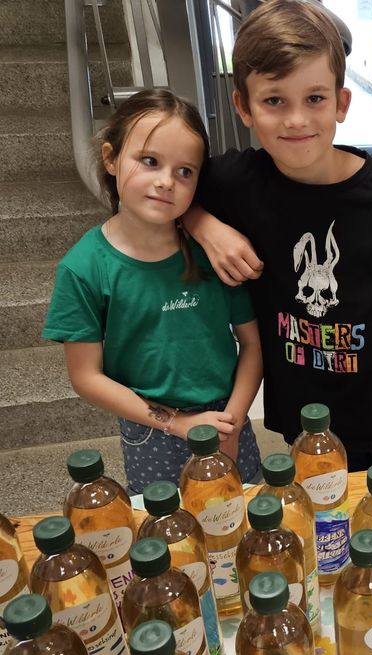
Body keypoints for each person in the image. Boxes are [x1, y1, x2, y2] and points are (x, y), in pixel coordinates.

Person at [182, 0, 372, 470]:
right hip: (306, 422)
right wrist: (203, 225)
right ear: (244, 107)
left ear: (340, 103)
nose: (296, 119)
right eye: (274, 100)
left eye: (314, 98)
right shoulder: (235, 182)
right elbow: (161, 197)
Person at [43, 89, 263, 494]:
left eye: (185, 171)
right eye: (149, 161)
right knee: (169, 540)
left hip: (227, 419)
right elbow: (86, 376)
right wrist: (175, 423)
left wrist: (232, 421)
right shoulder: (84, 267)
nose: (166, 182)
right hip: (151, 427)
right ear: (111, 158)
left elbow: (252, 344)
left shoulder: (212, 253)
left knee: (241, 520)